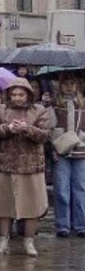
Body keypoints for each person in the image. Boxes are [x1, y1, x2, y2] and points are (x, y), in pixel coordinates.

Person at [0, 79, 51, 257]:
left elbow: (45, 135)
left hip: (31, 166)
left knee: (32, 206)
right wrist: (7, 128)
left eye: (21, 94)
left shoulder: (39, 110)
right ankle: (2, 240)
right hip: (5, 165)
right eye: (14, 94)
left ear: (28, 94)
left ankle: (29, 242)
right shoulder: (0, 109)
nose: (17, 98)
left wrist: (27, 129)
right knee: (3, 206)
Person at [48, 72, 85, 238]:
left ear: (77, 86)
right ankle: (62, 224)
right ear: (60, 86)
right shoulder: (54, 105)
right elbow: (49, 129)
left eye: (72, 84)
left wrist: (80, 137)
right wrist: (55, 146)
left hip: (81, 151)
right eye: (65, 84)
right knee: (61, 189)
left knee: (80, 189)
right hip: (61, 152)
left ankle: (81, 224)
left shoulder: (83, 105)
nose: (69, 87)